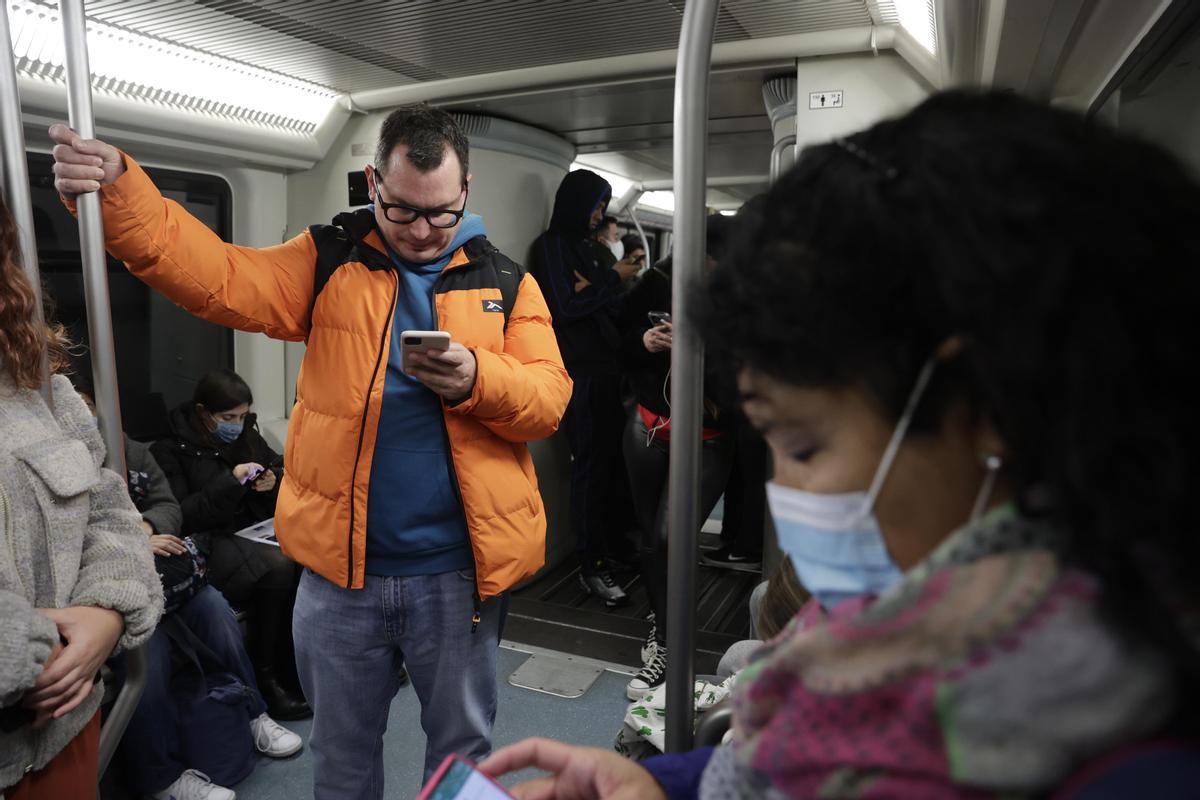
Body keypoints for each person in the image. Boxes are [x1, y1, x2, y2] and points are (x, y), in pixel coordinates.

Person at [479, 90, 1200, 797]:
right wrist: (662, 785)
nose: (784, 491)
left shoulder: (1142, 769)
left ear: (991, 409)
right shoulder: (889, 614)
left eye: (807, 444)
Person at [50, 102, 571, 799]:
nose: (421, 231)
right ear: (371, 182)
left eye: (441, 214)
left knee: (461, 754)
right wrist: (121, 192)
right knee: (343, 756)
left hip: (456, 579)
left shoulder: (508, 285)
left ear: (465, 192)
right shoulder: (328, 262)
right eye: (402, 210)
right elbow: (219, 278)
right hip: (338, 580)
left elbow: (548, 400)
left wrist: (479, 379)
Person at [0, 197, 163, 799]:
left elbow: (111, 515)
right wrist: (38, 652)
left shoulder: (41, 390)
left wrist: (106, 612)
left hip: (64, 732)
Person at [75, 381, 303, 800]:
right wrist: (135, 538)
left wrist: (149, 527)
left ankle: (253, 712)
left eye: (90, 410)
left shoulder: (130, 452)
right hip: (115, 594)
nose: (86, 419)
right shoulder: (73, 469)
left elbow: (167, 507)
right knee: (150, 660)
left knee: (217, 614)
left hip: (172, 578)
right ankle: (162, 776)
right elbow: (78, 535)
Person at [617, 216, 737, 700]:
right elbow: (618, 349)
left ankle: (668, 642)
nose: (703, 267)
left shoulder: (743, 300)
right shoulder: (656, 283)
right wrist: (644, 344)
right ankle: (663, 622)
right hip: (648, 426)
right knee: (650, 537)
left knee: (672, 537)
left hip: (707, 437)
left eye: (711, 260)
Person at [149, 369, 310, 722]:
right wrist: (230, 482)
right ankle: (267, 677)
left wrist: (273, 482)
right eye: (228, 418)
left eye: (242, 416)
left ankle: (297, 668)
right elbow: (182, 514)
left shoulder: (246, 436)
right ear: (203, 412)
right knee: (279, 566)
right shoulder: (169, 450)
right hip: (205, 541)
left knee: (306, 554)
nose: (237, 424)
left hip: (248, 531)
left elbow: (277, 469)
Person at [530, 171, 642, 605]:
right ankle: (591, 564)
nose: (599, 215)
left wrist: (604, 283)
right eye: (595, 206)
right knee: (590, 472)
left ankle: (615, 548)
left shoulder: (591, 251)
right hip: (579, 375)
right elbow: (566, 306)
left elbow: (609, 308)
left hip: (611, 371)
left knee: (615, 468)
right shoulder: (552, 248)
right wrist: (609, 279)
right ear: (576, 204)